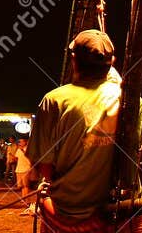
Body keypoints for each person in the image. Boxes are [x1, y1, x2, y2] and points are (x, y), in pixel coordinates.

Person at [29, 31, 134, 218]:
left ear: (74, 60)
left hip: (66, 208)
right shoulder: (127, 100)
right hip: (118, 208)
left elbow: (44, 164)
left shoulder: (53, 101)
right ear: (111, 62)